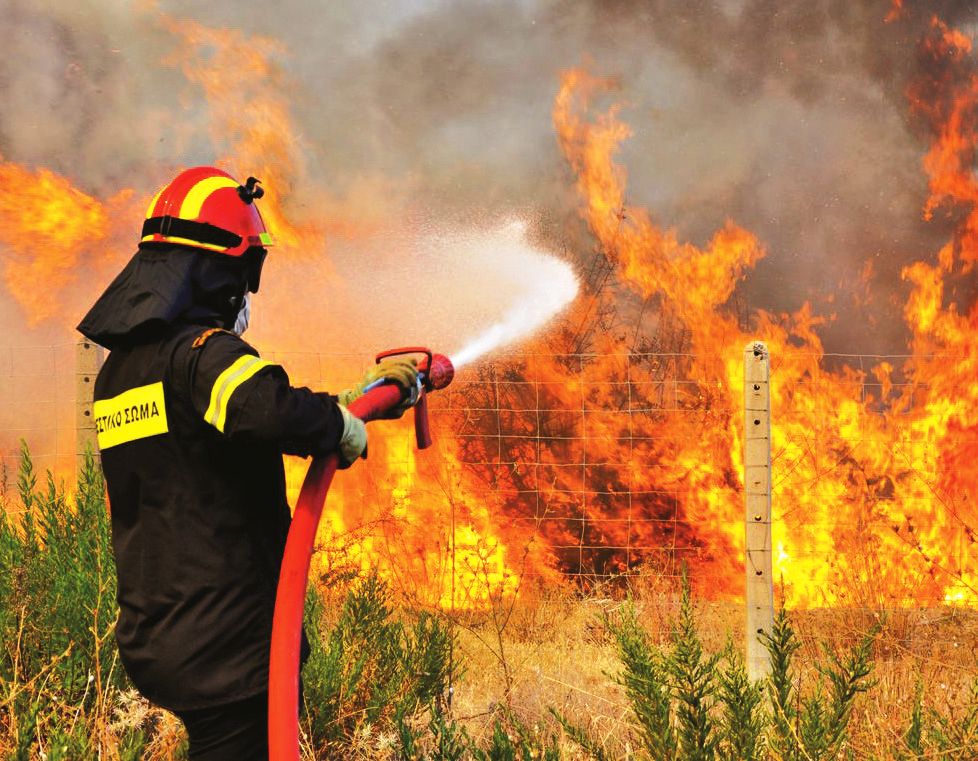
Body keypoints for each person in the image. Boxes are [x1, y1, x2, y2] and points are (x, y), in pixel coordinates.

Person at [77, 166, 418, 760]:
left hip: (162, 631)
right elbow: (265, 409)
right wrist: (340, 426)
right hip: (226, 644)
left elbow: (223, 425)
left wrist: (346, 406)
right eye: (246, 273)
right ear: (219, 273)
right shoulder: (202, 354)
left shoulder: (122, 372)